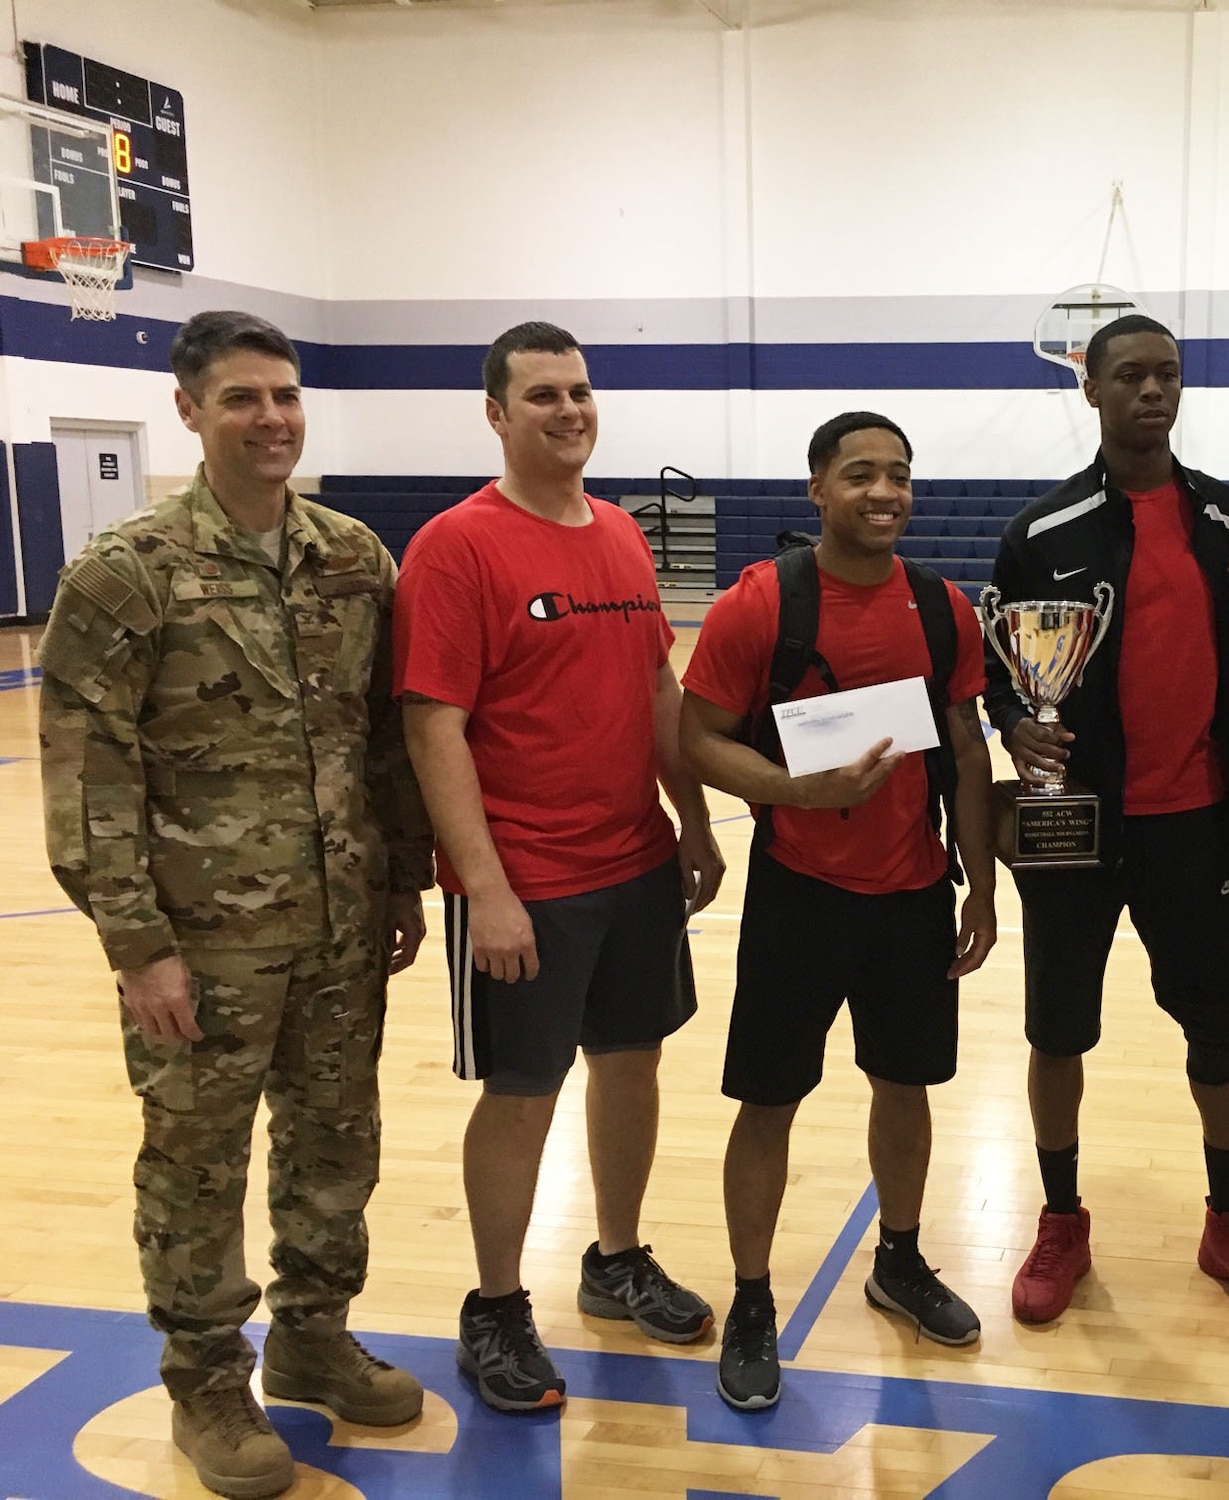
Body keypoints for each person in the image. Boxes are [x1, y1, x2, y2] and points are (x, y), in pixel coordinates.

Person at [39, 311, 432, 1500]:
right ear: (190, 412)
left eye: (285, 396)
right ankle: (208, 1377)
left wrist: (403, 878)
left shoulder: (356, 557)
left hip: (339, 925)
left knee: (335, 1143)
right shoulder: (127, 574)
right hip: (197, 944)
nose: (272, 418)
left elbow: (387, 742)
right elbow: (87, 770)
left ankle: (314, 1335)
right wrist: (137, 946)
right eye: (243, 399)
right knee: (197, 1163)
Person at [394, 321, 726, 1415]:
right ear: (496, 414)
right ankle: (494, 1305)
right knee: (521, 1092)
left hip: (633, 861)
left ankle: (615, 1257)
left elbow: (659, 695)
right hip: (524, 878)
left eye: (579, 390)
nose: (568, 410)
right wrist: (482, 887)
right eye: (541, 395)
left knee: (631, 1065)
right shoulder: (458, 545)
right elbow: (434, 726)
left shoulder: (624, 536)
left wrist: (691, 817)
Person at [679, 410, 997, 1412]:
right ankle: (751, 1296)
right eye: (860, 473)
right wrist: (796, 792)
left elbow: (967, 750)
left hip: (912, 896)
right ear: (815, 489)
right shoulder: (758, 606)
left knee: (905, 1090)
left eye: (898, 474)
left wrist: (983, 883)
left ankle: (896, 1260)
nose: (883, 492)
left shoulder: (945, 609)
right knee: (766, 1102)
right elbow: (697, 739)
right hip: (799, 894)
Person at [985, 314, 1229, 1325]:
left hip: (1197, 823)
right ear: (1091, 391)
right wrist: (1013, 732)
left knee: (1221, 1028)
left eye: (1166, 374)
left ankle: (1228, 1218)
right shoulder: (1039, 534)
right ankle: (1061, 1218)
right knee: (1057, 1028)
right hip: (1075, 829)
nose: (1150, 391)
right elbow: (1002, 675)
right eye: (1129, 375)